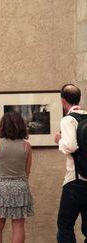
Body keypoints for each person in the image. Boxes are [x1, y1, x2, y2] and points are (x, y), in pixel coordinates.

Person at [0, 111, 34, 243]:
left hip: (2, 187)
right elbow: (27, 172)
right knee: (18, 225)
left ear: (2, 126)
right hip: (21, 187)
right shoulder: (27, 146)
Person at [54, 83, 87, 243]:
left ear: (62, 100)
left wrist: (60, 140)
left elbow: (71, 146)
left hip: (75, 181)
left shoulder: (68, 119)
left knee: (65, 225)